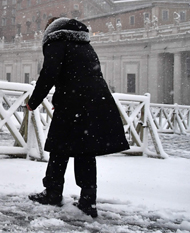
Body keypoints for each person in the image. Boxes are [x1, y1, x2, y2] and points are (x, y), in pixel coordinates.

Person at [26, 17, 129, 218]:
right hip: (96, 100)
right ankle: (88, 200)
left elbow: (50, 72)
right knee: (85, 150)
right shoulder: (84, 44)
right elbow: (78, 75)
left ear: (51, 30)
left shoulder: (56, 41)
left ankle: (53, 192)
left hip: (74, 103)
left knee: (58, 148)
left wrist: (34, 100)